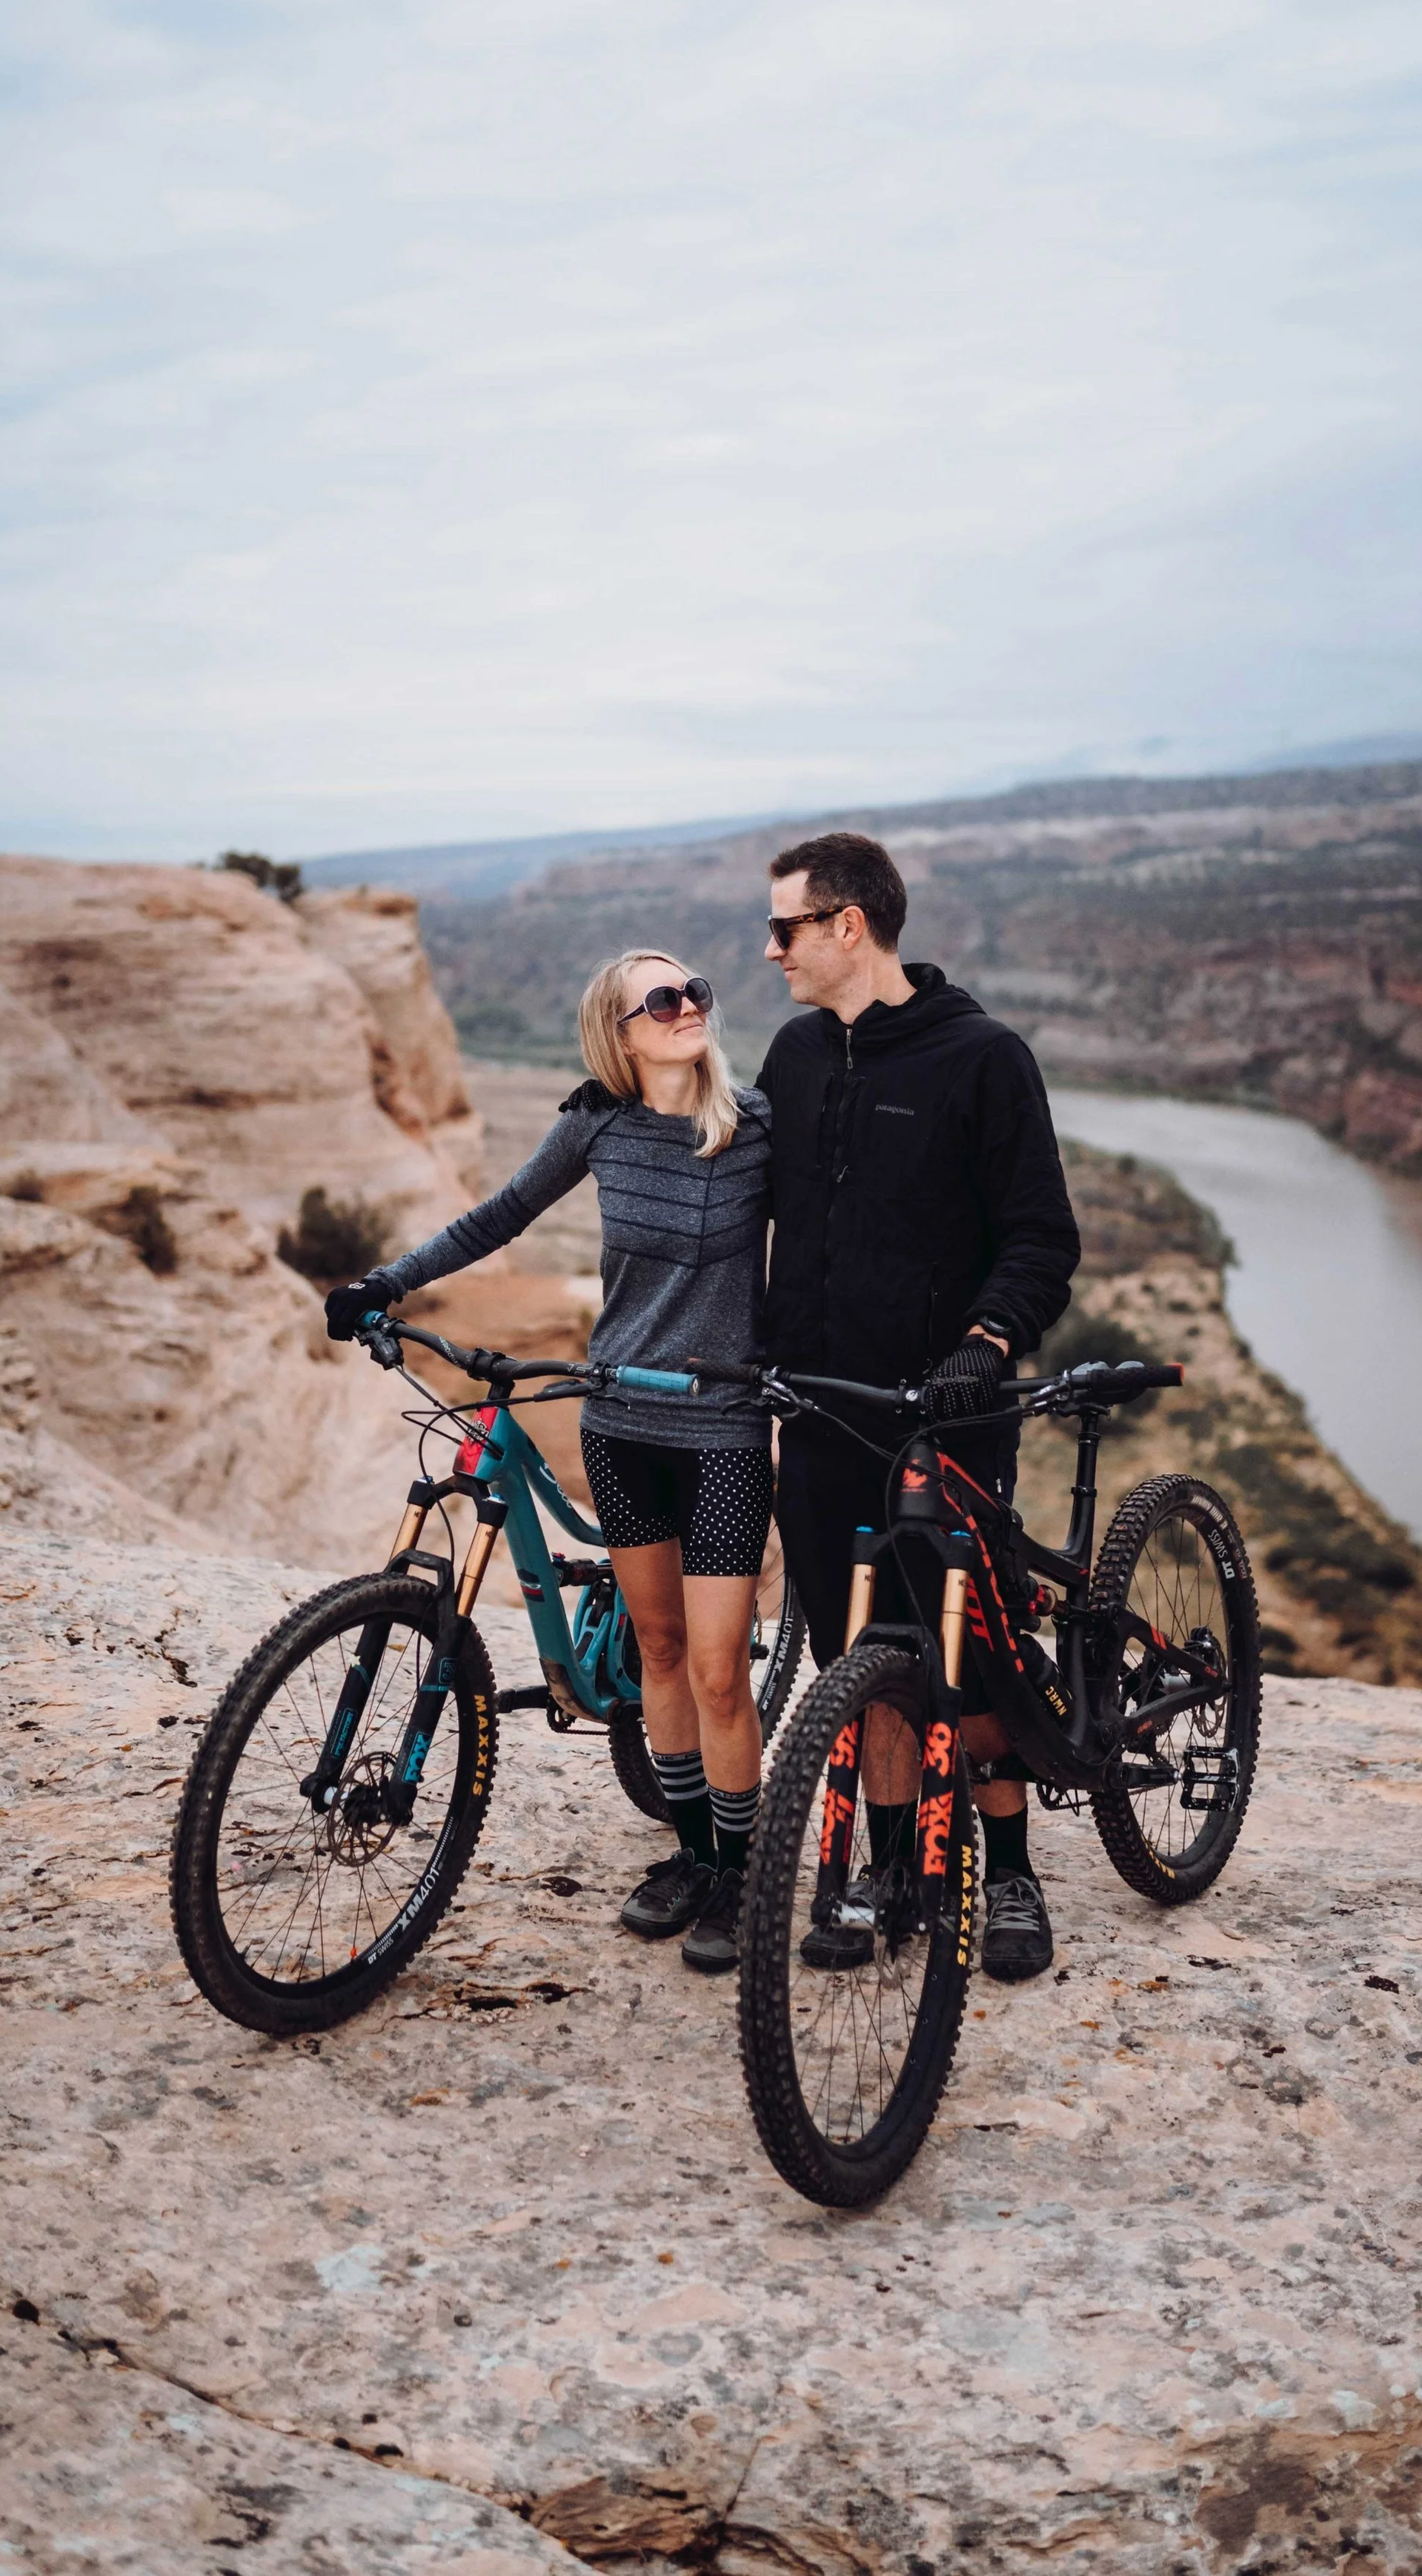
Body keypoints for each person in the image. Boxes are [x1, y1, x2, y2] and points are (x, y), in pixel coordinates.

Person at [325, 952, 771, 1975]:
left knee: (716, 1669)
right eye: (662, 999)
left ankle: (746, 1872)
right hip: (620, 1420)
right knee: (658, 1652)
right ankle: (696, 1854)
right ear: (619, 1033)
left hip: (727, 1427)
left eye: (695, 989)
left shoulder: (758, 1125)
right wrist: (384, 1282)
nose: (689, 1007)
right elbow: (500, 1216)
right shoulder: (598, 1125)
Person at [757, 832, 1080, 1981]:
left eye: (786, 927)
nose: (771, 948)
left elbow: (1043, 1238)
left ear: (851, 926)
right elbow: (736, 1178)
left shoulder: (984, 1058)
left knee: (968, 1654)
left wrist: (986, 1343)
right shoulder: (795, 1056)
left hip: (944, 1420)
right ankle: (895, 1864)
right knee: (860, 1659)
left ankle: (1012, 1864)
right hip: (824, 1414)